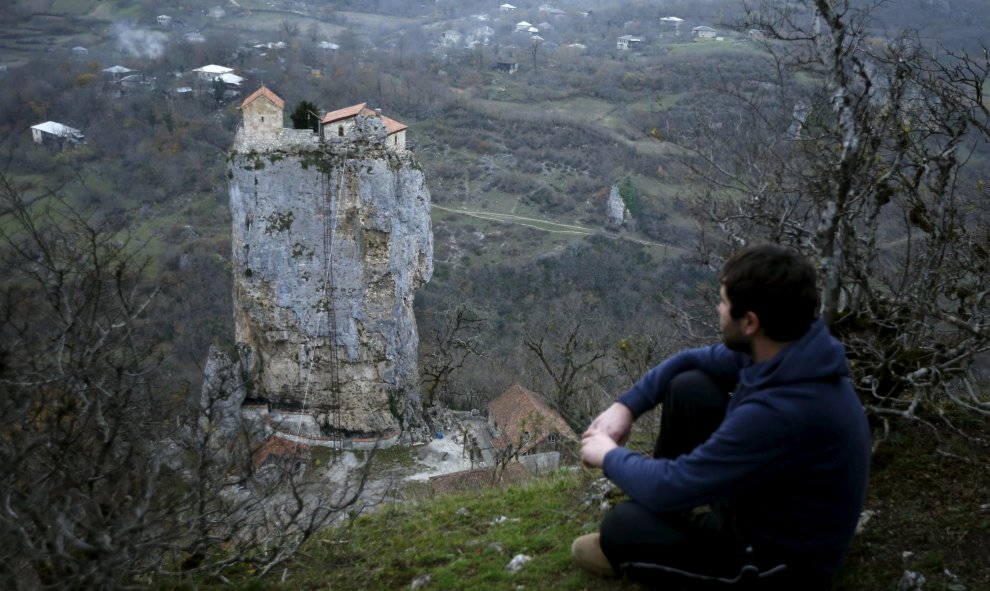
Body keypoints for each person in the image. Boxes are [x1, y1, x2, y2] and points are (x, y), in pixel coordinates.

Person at [573, 244, 871, 590]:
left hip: (777, 563)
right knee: (689, 387)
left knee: (620, 527)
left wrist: (607, 454)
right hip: (765, 499)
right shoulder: (789, 347)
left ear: (750, 322)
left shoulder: (780, 412)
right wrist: (625, 407)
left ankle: (646, 542)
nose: (718, 309)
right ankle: (664, 516)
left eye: (724, 302)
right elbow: (689, 360)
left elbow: (671, 484)